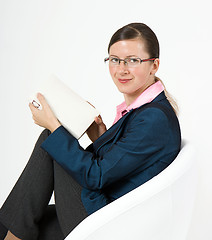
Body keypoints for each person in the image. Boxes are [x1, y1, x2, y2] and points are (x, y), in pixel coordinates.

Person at [0, 22, 181, 240]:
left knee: (52, 137)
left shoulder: (153, 117)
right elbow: (123, 165)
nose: (121, 69)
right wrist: (101, 136)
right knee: (18, 221)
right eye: (114, 60)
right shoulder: (146, 110)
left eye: (133, 60)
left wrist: (54, 126)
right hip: (107, 213)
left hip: (107, 224)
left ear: (154, 65)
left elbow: (96, 176)